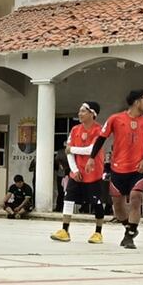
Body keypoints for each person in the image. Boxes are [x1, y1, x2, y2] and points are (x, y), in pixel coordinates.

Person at [87, 89, 143, 249]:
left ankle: (130, 236)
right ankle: (129, 227)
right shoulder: (115, 118)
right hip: (118, 169)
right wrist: (91, 158)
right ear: (137, 102)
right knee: (118, 206)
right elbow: (101, 138)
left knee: (135, 198)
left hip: (138, 170)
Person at [52, 101, 106, 244]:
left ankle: (98, 232)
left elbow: (91, 149)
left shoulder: (99, 130)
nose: (79, 113)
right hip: (77, 173)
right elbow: (67, 152)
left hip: (94, 172)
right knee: (68, 199)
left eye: (83, 111)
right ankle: (64, 230)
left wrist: (72, 149)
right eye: (80, 111)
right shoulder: (75, 129)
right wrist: (74, 170)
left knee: (97, 203)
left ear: (92, 113)